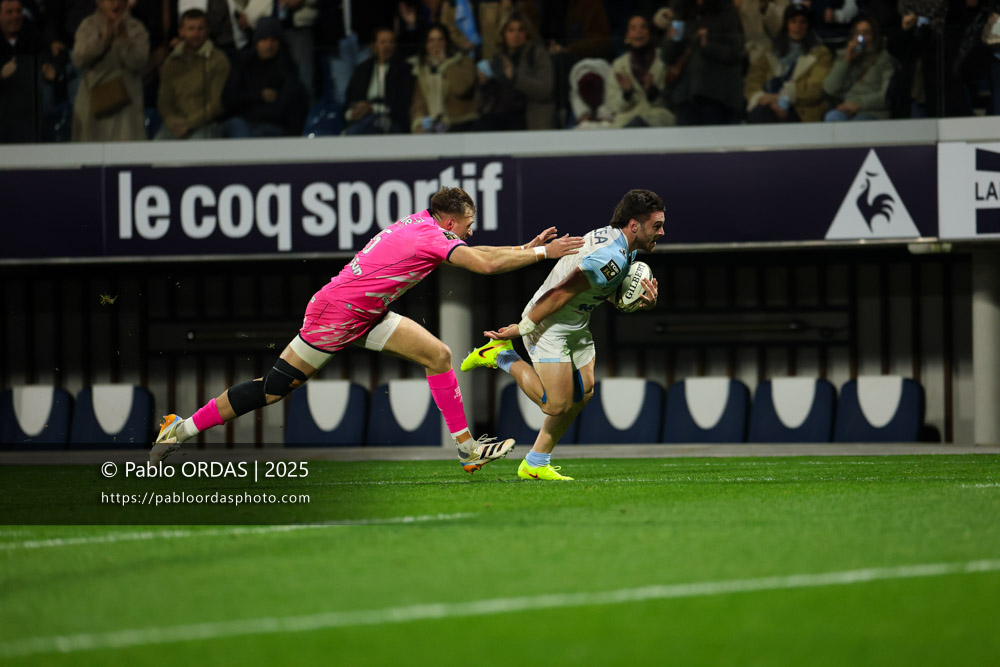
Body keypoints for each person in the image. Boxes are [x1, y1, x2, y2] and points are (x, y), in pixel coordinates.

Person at [151, 187, 585, 474]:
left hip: (364, 312)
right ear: (450, 222)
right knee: (274, 389)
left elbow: (482, 252)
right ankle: (181, 429)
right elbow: (485, 264)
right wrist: (544, 254)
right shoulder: (430, 238)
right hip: (337, 314)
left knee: (439, 356)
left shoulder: (422, 223)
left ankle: (466, 448)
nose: (473, 231)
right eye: (469, 224)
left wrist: (524, 248)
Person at [460, 189, 662, 481]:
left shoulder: (623, 247)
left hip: (575, 322)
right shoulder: (610, 256)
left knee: (584, 393)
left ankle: (535, 463)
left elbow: (602, 289)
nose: (662, 231)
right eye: (656, 225)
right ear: (634, 225)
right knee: (555, 405)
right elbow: (560, 292)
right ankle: (501, 355)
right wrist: (522, 328)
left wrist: (637, 302)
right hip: (547, 323)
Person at [71, 0, 149, 141]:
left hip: (126, 108)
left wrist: (124, 39)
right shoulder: (88, 26)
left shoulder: (136, 28)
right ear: (99, 3)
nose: (115, 5)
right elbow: (78, 59)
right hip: (93, 107)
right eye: (110, 0)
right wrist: (102, 41)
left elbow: (139, 62)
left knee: (126, 157)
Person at [662, 0, 745, 126]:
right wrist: (671, 40)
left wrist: (709, 46)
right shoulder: (681, 13)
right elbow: (667, 57)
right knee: (686, 144)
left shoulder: (727, 13)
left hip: (717, 96)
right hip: (685, 96)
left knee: (714, 143)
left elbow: (737, 52)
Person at [745, 2, 832, 123]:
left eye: (803, 22)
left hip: (801, 110)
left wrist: (781, 98)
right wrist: (764, 99)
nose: (798, 26)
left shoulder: (820, 53)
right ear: (786, 24)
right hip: (767, 106)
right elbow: (753, 81)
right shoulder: (770, 51)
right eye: (793, 21)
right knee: (760, 114)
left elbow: (816, 89)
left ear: (808, 25)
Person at [222, 15, 307, 137]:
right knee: (238, 127)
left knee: (259, 133)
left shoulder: (287, 68)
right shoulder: (243, 64)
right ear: (257, 42)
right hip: (242, 121)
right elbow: (229, 99)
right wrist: (259, 95)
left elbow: (290, 106)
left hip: (272, 125)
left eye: (273, 40)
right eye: (264, 40)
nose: (269, 45)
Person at [155, 8, 229, 139]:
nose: (196, 33)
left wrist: (189, 123)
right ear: (181, 32)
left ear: (207, 31)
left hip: (206, 125)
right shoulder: (171, 63)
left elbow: (217, 104)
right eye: (191, 29)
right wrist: (172, 122)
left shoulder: (218, 60)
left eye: (200, 29)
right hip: (174, 126)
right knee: (156, 151)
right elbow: (163, 102)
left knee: (196, 150)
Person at [475, 9, 555, 131]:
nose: (515, 35)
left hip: (528, 118)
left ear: (527, 33)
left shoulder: (537, 54)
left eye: (520, 30)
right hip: (497, 118)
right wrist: (483, 85)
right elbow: (482, 103)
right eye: (511, 30)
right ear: (503, 34)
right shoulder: (497, 58)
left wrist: (515, 78)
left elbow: (545, 90)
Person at [606, 13, 675, 128]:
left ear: (649, 32)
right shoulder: (618, 65)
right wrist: (626, 94)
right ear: (628, 35)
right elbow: (614, 106)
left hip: (657, 119)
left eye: (643, 27)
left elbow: (671, 101)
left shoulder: (663, 60)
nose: (639, 31)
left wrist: (652, 92)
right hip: (627, 120)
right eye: (633, 28)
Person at [822, 13, 894, 121]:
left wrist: (859, 104)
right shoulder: (847, 57)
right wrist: (846, 60)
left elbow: (886, 96)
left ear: (875, 36)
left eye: (866, 33)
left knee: (858, 123)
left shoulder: (884, 59)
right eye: (857, 34)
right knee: (832, 117)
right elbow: (830, 88)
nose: (861, 38)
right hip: (847, 110)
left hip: (872, 111)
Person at [342, 26, 412, 135]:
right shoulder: (362, 69)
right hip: (362, 118)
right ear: (374, 46)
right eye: (383, 42)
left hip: (389, 119)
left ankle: (347, 136)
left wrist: (372, 108)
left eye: (391, 42)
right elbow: (350, 99)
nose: (387, 46)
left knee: (371, 124)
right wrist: (353, 112)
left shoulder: (404, 70)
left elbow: (401, 106)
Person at [409, 22, 478, 133]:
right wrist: (419, 123)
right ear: (425, 45)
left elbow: (462, 89)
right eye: (431, 40)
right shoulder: (421, 70)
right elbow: (418, 103)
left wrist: (445, 64)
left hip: (461, 123)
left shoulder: (464, 62)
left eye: (440, 39)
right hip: (433, 126)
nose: (436, 44)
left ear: (447, 42)